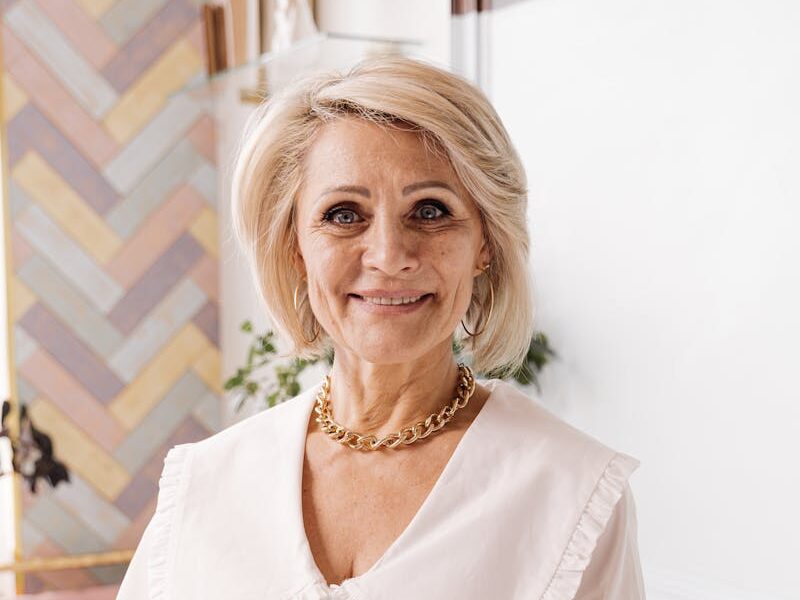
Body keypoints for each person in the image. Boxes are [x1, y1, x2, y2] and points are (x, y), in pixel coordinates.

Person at [117, 56, 645, 599]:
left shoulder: (571, 491)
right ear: (295, 246)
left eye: (431, 211)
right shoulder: (207, 484)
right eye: (345, 214)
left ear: (485, 243)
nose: (390, 256)